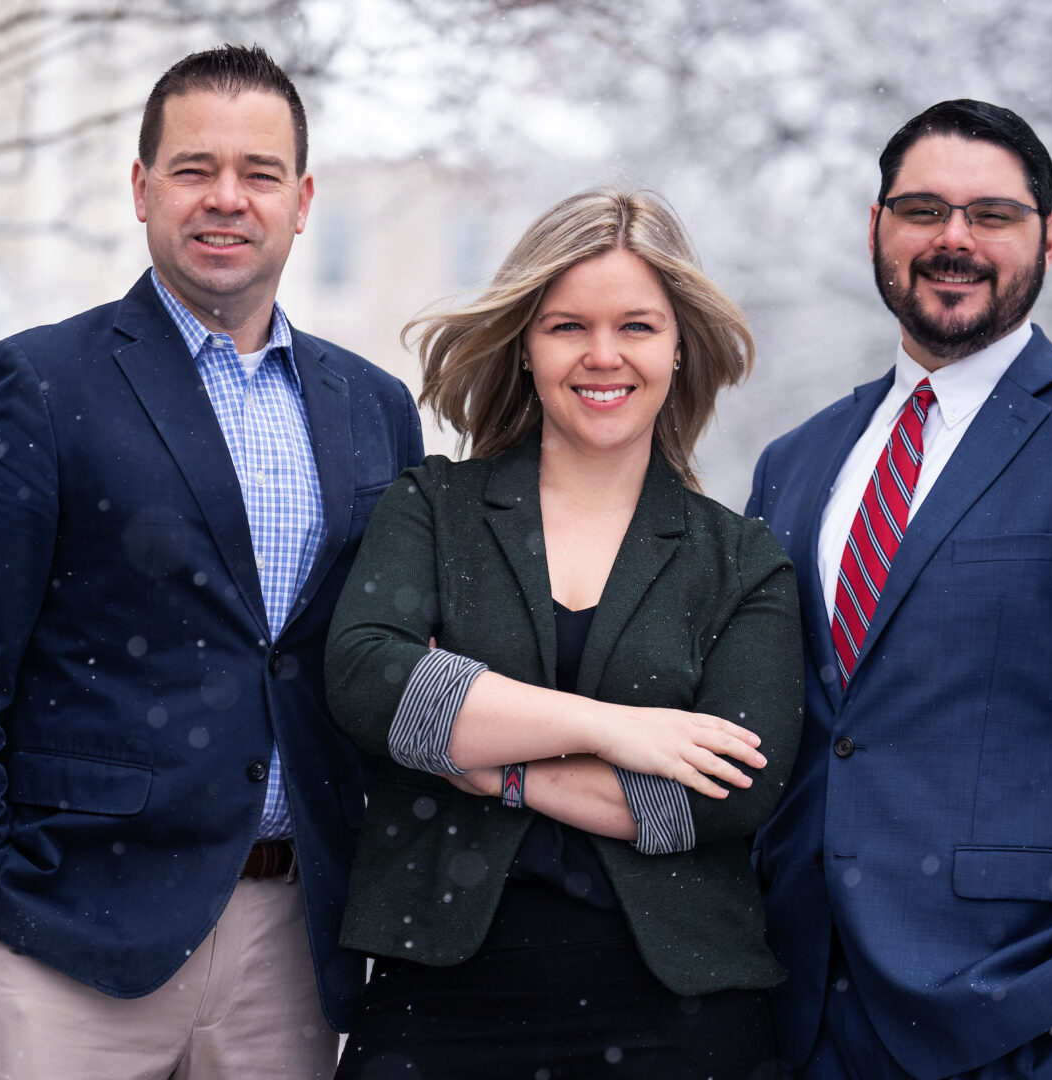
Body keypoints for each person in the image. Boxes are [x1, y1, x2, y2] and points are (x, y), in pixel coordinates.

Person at [0, 44, 422, 1079]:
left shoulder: (374, 410)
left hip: (289, 939)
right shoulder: (37, 384)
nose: (227, 198)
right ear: (142, 189)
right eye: (193, 168)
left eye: (259, 173)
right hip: (64, 934)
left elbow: (376, 655)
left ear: (302, 200)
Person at [746, 100, 1052, 1080]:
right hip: (799, 1010)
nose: (954, 240)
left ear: (1049, 237)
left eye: (993, 215)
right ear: (877, 228)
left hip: (1034, 1015)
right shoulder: (795, 462)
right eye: (923, 209)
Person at [322, 187, 804, 1078]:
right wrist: (617, 729)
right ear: (526, 345)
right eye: (566, 326)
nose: (602, 355)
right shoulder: (433, 507)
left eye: (637, 326)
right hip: (439, 993)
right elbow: (367, 680)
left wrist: (492, 762)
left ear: (679, 345)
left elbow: (730, 789)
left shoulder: (741, 559)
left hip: (680, 1007)